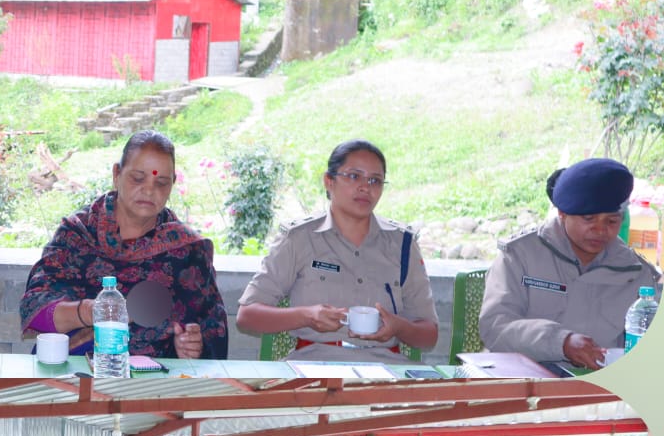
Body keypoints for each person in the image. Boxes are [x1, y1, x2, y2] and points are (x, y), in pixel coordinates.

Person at [19, 130, 228, 360]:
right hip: (73, 376)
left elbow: (212, 336)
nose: (149, 190)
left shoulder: (186, 251)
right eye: (138, 178)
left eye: (161, 182)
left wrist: (189, 349)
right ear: (117, 174)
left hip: (153, 385)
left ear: (172, 186)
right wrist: (90, 312)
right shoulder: (78, 234)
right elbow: (35, 309)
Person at [236, 139, 438, 362]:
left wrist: (399, 327)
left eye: (375, 180)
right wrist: (307, 316)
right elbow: (247, 316)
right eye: (354, 176)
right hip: (314, 364)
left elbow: (428, 335)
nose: (365, 187)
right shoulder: (299, 239)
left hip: (387, 368)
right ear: (329, 181)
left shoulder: (402, 244)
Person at [479, 157, 660, 369]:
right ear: (562, 214)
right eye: (589, 219)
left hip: (598, 388)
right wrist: (561, 342)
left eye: (611, 221)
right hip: (521, 381)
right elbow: (494, 326)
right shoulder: (520, 255)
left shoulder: (637, 274)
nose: (600, 230)